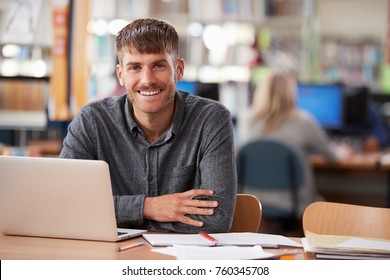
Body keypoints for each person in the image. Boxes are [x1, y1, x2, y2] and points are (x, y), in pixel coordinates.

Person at [59, 18, 237, 233]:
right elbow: (67, 206)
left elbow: (216, 220)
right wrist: (148, 207)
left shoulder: (211, 119)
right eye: (135, 67)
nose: (147, 79)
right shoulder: (92, 120)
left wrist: (114, 212)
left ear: (179, 69)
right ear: (121, 75)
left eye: (159, 65)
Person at [238, 71, 352, 217]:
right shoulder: (303, 121)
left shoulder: (246, 119)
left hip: (252, 201)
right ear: (291, 93)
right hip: (293, 202)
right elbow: (333, 156)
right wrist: (343, 151)